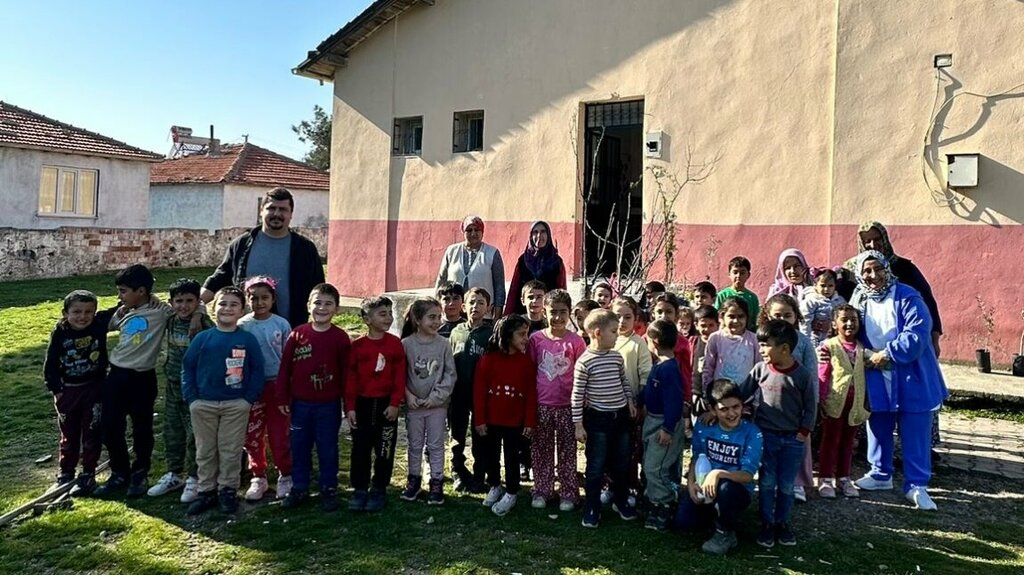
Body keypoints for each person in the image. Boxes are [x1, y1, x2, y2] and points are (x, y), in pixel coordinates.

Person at [845, 251, 947, 510]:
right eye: (866, 271)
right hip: (875, 370)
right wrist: (861, 353)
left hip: (911, 372)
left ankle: (917, 485)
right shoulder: (859, 298)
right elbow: (850, 327)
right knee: (878, 421)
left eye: (878, 269)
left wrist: (887, 353)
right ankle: (880, 474)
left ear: (887, 269)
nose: (872, 276)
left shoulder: (908, 296)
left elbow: (918, 332)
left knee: (915, 428)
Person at [95, 264, 205, 498]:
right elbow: (103, 324)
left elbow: (190, 302)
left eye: (124, 291)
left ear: (142, 291)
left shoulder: (162, 311)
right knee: (110, 426)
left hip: (143, 379)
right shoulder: (122, 311)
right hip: (116, 376)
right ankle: (119, 472)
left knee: (142, 428)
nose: (119, 296)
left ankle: (140, 473)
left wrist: (198, 313)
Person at [849, 221, 945, 457]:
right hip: (871, 359)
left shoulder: (905, 268)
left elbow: (928, 302)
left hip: (908, 353)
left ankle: (919, 452)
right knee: (877, 407)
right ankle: (878, 463)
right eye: (867, 240)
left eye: (876, 238)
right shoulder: (854, 270)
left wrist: (933, 336)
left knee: (914, 403)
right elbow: (844, 307)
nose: (873, 244)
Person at [181, 286, 265, 515]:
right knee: (205, 450)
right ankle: (207, 490)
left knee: (230, 450)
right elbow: (188, 367)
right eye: (222, 304)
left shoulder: (247, 339)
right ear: (213, 308)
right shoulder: (203, 338)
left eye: (233, 304)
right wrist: (192, 398)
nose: (227, 308)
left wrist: (247, 399)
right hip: (203, 404)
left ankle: (227, 490)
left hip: (235, 405)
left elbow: (257, 370)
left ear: (242, 310)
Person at [739, 320, 816, 548]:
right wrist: (720, 403)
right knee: (766, 483)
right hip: (766, 437)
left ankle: (782, 523)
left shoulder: (801, 375)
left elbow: (810, 408)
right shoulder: (760, 370)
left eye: (765, 345)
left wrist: (803, 433)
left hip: (793, 440)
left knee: (785, 485)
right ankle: (766, 523)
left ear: (784, 348)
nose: (761, 350)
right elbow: (742, 392)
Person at [202, 187, 325, 328]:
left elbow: (319, 289)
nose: (277, 214)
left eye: (283, 209)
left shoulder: (305, 249)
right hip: (245, 331)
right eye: (271, 208)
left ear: (291, 214)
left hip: (291, 331)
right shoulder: (241, 245)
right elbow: (219, 278)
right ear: (261, 211)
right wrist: (196, 304)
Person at [278, 284, 351, 512]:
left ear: (337, 309)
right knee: (299, 446)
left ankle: (328, 487)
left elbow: (347, 375)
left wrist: (348, 406)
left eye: (328, 303)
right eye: (317, 302)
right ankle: (300, 486)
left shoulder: (340, 338)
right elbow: (284, 370)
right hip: (300, 404)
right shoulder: (297, 334)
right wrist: (282, 398)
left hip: (328, 405)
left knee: (327, 447)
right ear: (308, 306)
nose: (322, 307)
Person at [674, 379, 763, 556]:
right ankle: (717, 517)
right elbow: (697, 457)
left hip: (735, 490)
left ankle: (725, 533)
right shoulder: (704, 426)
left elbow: (747, 475)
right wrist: (691, 483)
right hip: (705, 488)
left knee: (725, 487)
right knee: (683, 524)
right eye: (724, 409)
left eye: (736, 407)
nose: (732, 413)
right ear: (712, 409)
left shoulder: (752, 433)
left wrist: (718, 473)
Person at [43, 290, 117, 497]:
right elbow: (50, 364)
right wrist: (56, 390)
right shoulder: (60, 332)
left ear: (95, 312)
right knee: (69, 434)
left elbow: (124, 305)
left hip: (94, 388)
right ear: (65, 313)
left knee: (92, 432)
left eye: (88, 312)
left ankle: (88, 474)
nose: (82, 317)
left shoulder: (99, 324)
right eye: (76, 312)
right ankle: (66, 472)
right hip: (69, 390)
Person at [148, 279, 214, 503]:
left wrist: (199, 314)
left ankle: (195, 478)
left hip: (196, 389)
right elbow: (152, 300)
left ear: (197, 302)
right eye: (179, 301)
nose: (184, 306)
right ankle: (174, 473)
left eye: (189, 301)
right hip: (173, 383)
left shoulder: (205, 324)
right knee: (172, 430)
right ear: (171, 302)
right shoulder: (169, 319)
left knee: (195, 434)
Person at [573, 309, 638, 529]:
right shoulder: (584, 362)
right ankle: (592, 507)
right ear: (598, 333)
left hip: (619, 418)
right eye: (613, 331)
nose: (617, 335)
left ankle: (620, 501)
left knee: (621, 464)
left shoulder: (616, 356)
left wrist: (629, 400)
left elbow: (624, 381)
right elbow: (577, 395)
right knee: (596, 466)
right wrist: (578, 425)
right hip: (597, 421)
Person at [346, 296, 406, 512]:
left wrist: (394, 403)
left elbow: (400, 377)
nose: (388, 318)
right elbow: (351, 379)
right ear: (366, 318)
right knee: (360, 449)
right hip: (362, 405)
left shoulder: (394, 344)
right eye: (382, 314)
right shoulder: (358, 346)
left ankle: (379, 487)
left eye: (390, 313)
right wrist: (350, 407)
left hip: (385, 406)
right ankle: (360, 488)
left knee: (385, 448)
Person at [529, 289, 586, 511]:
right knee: (541, 449)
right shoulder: (536, 340)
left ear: (569, 313)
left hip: (567, 407)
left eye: (563, 312)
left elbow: (582, 374)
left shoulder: (576, 341)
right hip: (543, 405)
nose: (558, 317)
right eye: (553, 312)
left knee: (567, 451)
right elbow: (531, 370)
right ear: (545, 312)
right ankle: (542, 490)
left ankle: (568, 493)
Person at [475, 315, 538, 516]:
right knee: (490, 455)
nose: (525, 339)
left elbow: (530, 394)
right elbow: (479, 391)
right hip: (491, 420)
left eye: (526, 334)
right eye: (521, 334)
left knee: (512, 457)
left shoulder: (526, 362)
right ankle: (494, 485)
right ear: (507, 335)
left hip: (515, 421)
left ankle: (512, 491)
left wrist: (529, 421)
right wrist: (479, 419)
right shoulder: (488, 360)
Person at [237, 276, 294, 502]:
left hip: (277, 386)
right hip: (252, 386)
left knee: (280, 434)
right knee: (253, 433)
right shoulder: (242, 325)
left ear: (273, 299)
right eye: (254, 298)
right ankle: (258, 476)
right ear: (247, 300)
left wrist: (287, 386)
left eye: (264, 298)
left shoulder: (281, 324)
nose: (259, 302)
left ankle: (285, 474)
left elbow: (288, 358)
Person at [759, 293, 819, 503]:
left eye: (788, 315)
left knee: (800, 447)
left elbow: (812, 373)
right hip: (772, 405)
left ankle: (798, 484)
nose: (783, 320)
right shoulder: (766, 341)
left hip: (798, 407)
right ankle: (773, 483)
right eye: (778, 315)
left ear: (796, 316)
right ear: (768, 315)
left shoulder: (802, 341)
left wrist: (813, 404)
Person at [400, 297, 457, 505]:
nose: (437, 321)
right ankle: (413, 481)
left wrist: (435, 398)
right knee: (414, 445)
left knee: (435, 445)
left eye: (438, 317)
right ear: (417, 319)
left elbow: (450, 375)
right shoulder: (406, 344)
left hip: (437, 407)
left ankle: (436, 481)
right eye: (431, 317)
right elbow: (400, 375)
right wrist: (408, 396)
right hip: (414, 407)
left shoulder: (443, 344)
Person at [817, 304, 871, 499]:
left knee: (849, 442)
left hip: (855, 404)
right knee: (830, 441)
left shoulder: (862, 348)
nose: (849, 323)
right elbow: (823, 375)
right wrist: (821, 400)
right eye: (844, 320)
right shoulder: (828, 346)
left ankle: (844, 477)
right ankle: (825, 478)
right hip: (834, 403)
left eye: (853, 320)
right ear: (834, 324)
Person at [641, 320, 686, 531]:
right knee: (650, 462)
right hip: (652, 419)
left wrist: (668, 428)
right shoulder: (659, 365)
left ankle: (665, 505)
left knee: (655, 468)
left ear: (655, 342)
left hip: (663, 425)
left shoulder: (669, 369)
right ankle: (655, 502)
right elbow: (651, 392)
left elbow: (674, 401)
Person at [448, 288, 494, 493]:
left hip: (481, 394)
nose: (476, 306)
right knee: (456, 434)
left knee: (481, 435)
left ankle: (479, 474)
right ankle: (457, 470)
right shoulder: (456, 331)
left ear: (489, 308)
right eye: (472, 302)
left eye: (481, 303)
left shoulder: (491, 334)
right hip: (458, 392)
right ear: (464, 307)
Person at [611, 296, 652, 496]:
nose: (621, 321)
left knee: (628, 450)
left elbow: (645, 374)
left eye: (627, 317)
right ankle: (608, 485)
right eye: (617, 316)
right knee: (608, 449)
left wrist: (639, 401)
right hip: (607, 405)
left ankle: (629, 487)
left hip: (630, 407)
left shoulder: (638, 344)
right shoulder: (605, 339)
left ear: (636, 319)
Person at [436, 215, 506, 314]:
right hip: (454, 312)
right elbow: (441, 281)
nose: (473, 233)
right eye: (469, 230)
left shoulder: (492, 253)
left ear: (482, 232)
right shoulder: (451, 251)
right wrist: (437, 308)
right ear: (463, 232)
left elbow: (499, 286)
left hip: (483, 314)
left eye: (477, 230)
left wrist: (498, 314)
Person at [504, 221, 567, 316]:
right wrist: (507, 315)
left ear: (548, 235)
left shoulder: (556, 261)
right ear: (530, 236)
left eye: (543, 232)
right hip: (523, 314)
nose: (539, 236)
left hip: (548, 315)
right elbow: (514, 289)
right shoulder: (523, 260)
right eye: (535, 232)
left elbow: (561, 291)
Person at [701, 297, 757, 402]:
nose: (736, 321)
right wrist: (708, 398)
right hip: (719, 397)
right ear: (721, 317)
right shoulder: (716, 338)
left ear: (747, 318)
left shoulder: (754, 340)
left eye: (741, 316)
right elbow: (708, 368)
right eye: (731, 316)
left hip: (746, 399)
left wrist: (755, 401)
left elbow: (759, 371)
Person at [800, 268, 846, 348]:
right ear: (815, 284)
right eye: (823, 285)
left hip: (835, 338)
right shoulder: (811, 301)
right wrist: (806, 340)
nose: (826, 289)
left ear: (835, 286)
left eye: (830, 286)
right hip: (816, 338)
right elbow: (805, 322)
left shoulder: (840, 300)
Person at [714, 257, 759, 330]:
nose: (738, 276)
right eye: (735, 272)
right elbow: (717, 317)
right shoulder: (722, 295)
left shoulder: (752, 297)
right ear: (729, 274)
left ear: (748, 275)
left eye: (742, 273)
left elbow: (754, 321)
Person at [690, 305, 719, 414]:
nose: (707, 329)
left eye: (711, 325)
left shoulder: (720, 343)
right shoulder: (693, 343)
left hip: (716, 394)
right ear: (696, 325)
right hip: (696, 392)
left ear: (718, 325)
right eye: (703, 325)